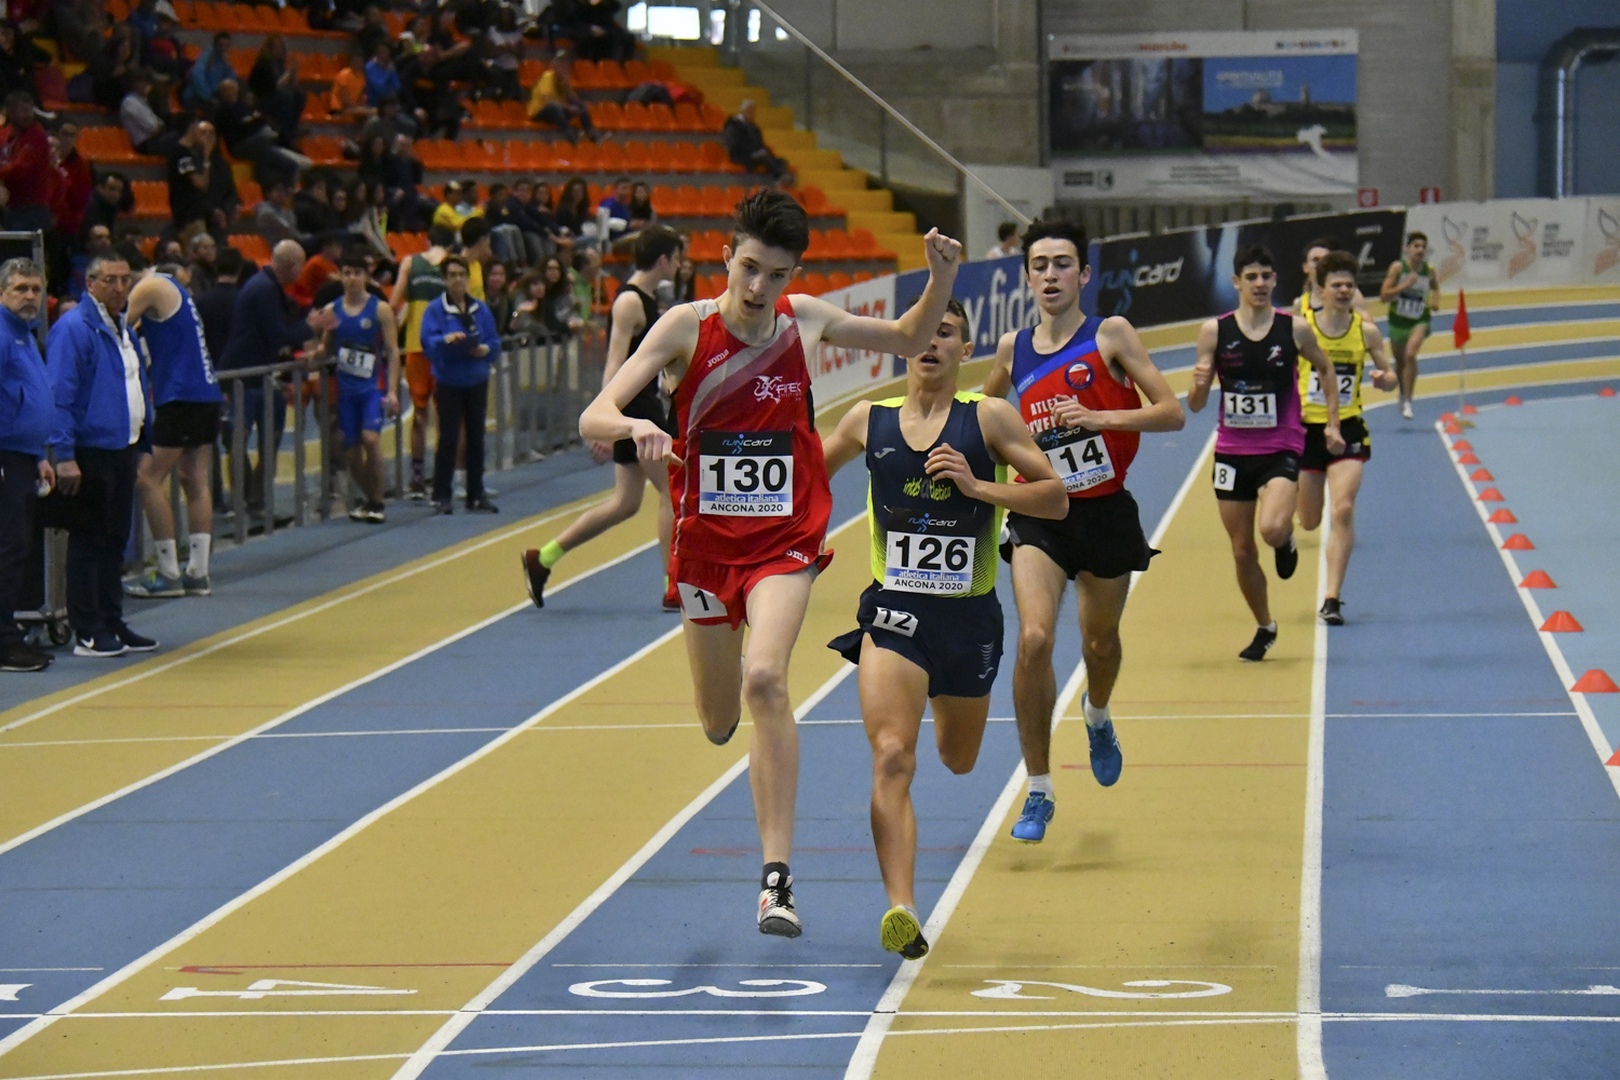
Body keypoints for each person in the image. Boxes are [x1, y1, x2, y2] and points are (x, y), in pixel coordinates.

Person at [578, 190, 962, 937]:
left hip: (784, 539)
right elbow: (595, 414)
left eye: (776, 275)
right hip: (703, 550)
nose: (758, 290)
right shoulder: (683, 328)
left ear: (793, 276)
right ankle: (734, 737)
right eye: (749, 268)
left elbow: (911, 334)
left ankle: (776, 880)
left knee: (766, 676)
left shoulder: (803, 321)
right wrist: (635, 426)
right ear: (727, 255)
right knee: (720, 718)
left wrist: (939, 277)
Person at [820, 298, 1067, 957]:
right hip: (895, 613)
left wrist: (980, 487)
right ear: (901, 346)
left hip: (967, 620)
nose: (931, 343)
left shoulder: (986, 419)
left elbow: (1056, 496)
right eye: (921, 333)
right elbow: (804, 484)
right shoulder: (865, 422)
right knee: (894, 753)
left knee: (958, 760)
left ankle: (933, 692)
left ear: (965, 349)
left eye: (946, 333)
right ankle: (901, 908)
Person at [981, 219, 1185, 843]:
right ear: (1027, 277)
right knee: (1035, 639)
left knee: (1100, 645)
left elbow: (1172, 413)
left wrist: (1099, 416)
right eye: (1039, 264)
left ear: (1084, 274)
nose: (1050, 274)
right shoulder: (1013, 350)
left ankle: (1097, 714)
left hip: (1104, 513)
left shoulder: (1111, 334)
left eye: (1062, 263)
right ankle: (1038, 788)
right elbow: (981, 418)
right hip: (1041, 513)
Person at [1188, 245, 1341, 661]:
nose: (1259, 284)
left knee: (1272, 529)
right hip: (1232, 451)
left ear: (1275, 281)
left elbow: (1325, 368)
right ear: (1236, 282)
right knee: (1241, 550)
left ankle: (1285, 539)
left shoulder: (1294, 330)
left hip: (1280, 446)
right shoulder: (1214, 332)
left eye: (1266, 276)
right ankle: (1265, 625)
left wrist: (1331, 421)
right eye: (1251, 277)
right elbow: (1197, 404)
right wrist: (1200, 381)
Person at [523, 225, 682, 609]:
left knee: (626, 503)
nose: (681, 265)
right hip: (635, 411)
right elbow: (613, 363)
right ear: (663, 260)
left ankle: (542, 558)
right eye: (678, 258)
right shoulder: (630, 302)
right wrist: (603, 420)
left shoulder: (644, 299)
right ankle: (672, 583)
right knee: (673, 493)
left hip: (642, 404)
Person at [45, 252, 157, 658]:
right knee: (89, 542)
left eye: (125, 280)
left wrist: (142, 439)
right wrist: (64, 454)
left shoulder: (121, 326)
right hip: (90, 450)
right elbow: (60, 393)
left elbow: (133, 382)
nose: (119, 287)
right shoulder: (74, 328)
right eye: (110, 280)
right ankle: (87, 629)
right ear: (90, 283)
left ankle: (111, 620)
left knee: (115, 540)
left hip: (121, 446)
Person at [1297, 250, 1397, 625]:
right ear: (1320, 289)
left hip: (1349, 427)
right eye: (1336, 285)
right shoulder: (1300, 328)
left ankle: (1332, 598)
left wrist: (1385, 380)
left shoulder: (1366, 331)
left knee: (1342, 508)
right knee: (1308, 521)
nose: (1343, 291)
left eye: (1349, 285)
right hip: (1307, 430)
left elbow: (1389, 377)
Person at [123, 264, 223, 598]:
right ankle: (198, 571)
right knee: (194, 477)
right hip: (205, 392)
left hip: (180, 396)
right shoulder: (177, 293)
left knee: (147, 478)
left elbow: (113, 325)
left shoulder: (150, 286)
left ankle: (168, 573)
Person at [0, 258, 55, 672]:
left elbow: (29, 398)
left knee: (17, 549)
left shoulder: (26, 336)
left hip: (22, 456)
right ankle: (3, 641)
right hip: (4, 458)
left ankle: (8, 634)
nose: (29, 296)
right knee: (8, 549)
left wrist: (38, 455)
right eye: (20, 288)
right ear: (3, 292)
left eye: (35, 288)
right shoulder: (2, 335)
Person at [319, 252, 400, 522]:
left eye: (356, 273)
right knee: (351, 450)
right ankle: (372, 498)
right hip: (346, 391)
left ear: (366, 276)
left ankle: (377, 502)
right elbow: (325, 346)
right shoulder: (333, 311)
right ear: (341, 276)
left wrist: (392, 391)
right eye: (347, 273)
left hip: (371, 388)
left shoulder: (380, 309)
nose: (351, 279)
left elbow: (392, 351)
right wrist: (312, 354)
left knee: (371, 439)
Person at [420, 254, 497, 514]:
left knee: (477, 436)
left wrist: (484, 349)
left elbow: (494, 341)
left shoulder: (480, 309)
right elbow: (427, 342)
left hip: (476, 379)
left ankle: (476, 492)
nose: (457, 280)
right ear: (444, 279)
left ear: (468, 278)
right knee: (449, 437)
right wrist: (446, 340)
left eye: (461, 275)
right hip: (449, 381)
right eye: (452, 275)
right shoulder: (435, 310)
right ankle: (442, 493)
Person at [390, 224, 450, 498]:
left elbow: (393, 304)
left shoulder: (409, 263)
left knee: (420, 414)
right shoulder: (455, 265)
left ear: (426, 239)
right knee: (446, 415)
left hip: (416, 345)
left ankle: (416, 479)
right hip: (446, 345)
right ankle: (442, 476)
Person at [1380, 231, 1440, 421]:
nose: (1420, 250)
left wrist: (1435, 301)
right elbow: (1384, 296)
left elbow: (1435, 287)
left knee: (1411, 354)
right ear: (1408, 249)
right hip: (1398, 321)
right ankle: (1403, 393)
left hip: (1419, 319)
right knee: (1400, 362)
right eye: (1416, 246)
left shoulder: (1429, 270)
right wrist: (1405, 285)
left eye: (1423, 246)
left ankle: (1408, 401)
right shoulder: (1398, 268)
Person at [0, 89, 55, 234]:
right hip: (12, 208)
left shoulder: (36, 134)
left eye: (31, 110)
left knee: (24, 255)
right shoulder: (5, 134)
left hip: (33, 210)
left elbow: (21, 169)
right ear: (10, 112)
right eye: (23, 111)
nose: (29, 115)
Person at [526, 51, 598, 143]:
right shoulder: (548, 77)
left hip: (559, 111)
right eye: (561, 66)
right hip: (540, 111)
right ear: (555, 67)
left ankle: (591, 135)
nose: (564, 69)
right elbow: (549, 100)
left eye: (566, 66)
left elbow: (575, 99)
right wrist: (569, 108)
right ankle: (571, 136)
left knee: (580, 105)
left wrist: (567, 86)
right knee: (555, 107)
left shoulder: (563, 81)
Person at [721, 100, 791, 186]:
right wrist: (751, 151)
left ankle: (780, 178)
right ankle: (780, 176)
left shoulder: (754, 127)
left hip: (755, 153)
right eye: (750, 111)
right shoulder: (734, 125)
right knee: (762, 155)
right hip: (741, 155)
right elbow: (733, 145)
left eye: (753, 111)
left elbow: (759, 143)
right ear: (743, 111)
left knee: (781, 161)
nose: (752, 114)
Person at [1293, 237, 1368, 316]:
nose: (1320, 263)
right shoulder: (1301, 304)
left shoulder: (1350, 294)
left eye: (1325, 259)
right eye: (1316, 260)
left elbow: (1369, 326)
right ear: (1305, 267)